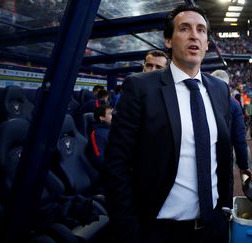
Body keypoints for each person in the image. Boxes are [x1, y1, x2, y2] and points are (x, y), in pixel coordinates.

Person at [104, 4, 233, 243]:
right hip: (160, 232)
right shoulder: (140, 88)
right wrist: (130, 232)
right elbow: (116, 166)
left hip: (213, 229)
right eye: (185, 29)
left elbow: (223, 155)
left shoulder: (219, 90)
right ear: (168, 41)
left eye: (201, 30)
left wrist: (224, 211)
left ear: (206, 43)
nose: (195, 35)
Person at [211, 69, 252, 178]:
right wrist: (243, 165)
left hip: (203, 155)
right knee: (224, 189)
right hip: (224, 155)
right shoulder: (234, 104)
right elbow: (239, 138)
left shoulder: (200, 100)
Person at [88, 104, 113, 170]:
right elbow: (99, 159)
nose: (114, 115)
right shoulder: (97, 134)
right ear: (102, 117)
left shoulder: (113, 129)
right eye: (110, 114)